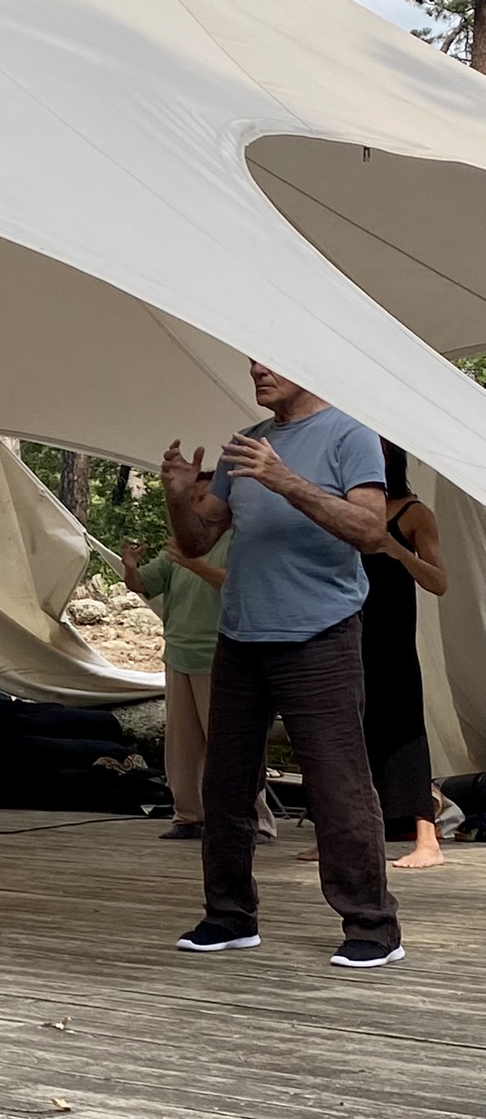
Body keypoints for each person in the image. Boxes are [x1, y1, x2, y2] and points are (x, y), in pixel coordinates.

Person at [162, 361, 403, 969]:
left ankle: (373, 925)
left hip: (319, 637)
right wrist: (176, 494)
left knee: (338, 785)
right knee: (224, 785)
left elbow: (371, 531)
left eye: (269, 363)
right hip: (241, 636)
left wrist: (287, 480)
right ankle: (229, 917)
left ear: (307, 363)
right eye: (251, 363)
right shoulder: (248, 440)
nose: (256, 372)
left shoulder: (350, 433)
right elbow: (197, 540)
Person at [121, 475, 276, 844]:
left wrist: (193, 565)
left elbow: (238, 584)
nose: (197, 505)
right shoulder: (182, 543)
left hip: (222, 654)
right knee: (182, 747)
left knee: (232, 745)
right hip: (179, 652)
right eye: (192, 498)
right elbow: (143, 583)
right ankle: (189, 816)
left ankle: (254, 820)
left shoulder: (240, 541)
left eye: (204, 497)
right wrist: (129, 566)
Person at [356, 440, 448, 869]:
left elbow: (439, 581)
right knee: (348, 734)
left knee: (405, 731)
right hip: (348, 634)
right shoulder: (350, 508)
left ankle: (427, 838)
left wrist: (396, 550)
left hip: (392, 642)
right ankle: (343, 834)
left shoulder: (413, 513)